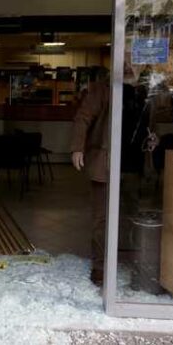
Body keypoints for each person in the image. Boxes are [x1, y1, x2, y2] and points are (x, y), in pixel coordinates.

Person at [70, 71, 109, 286]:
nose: (130, 65)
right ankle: (100, 266)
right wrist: (77, 148)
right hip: (104, 161)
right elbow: (82, 118)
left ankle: (132, 258)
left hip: (134, 162)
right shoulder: (101, 89)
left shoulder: (145, 89)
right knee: (101, 217)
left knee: (132, 213)